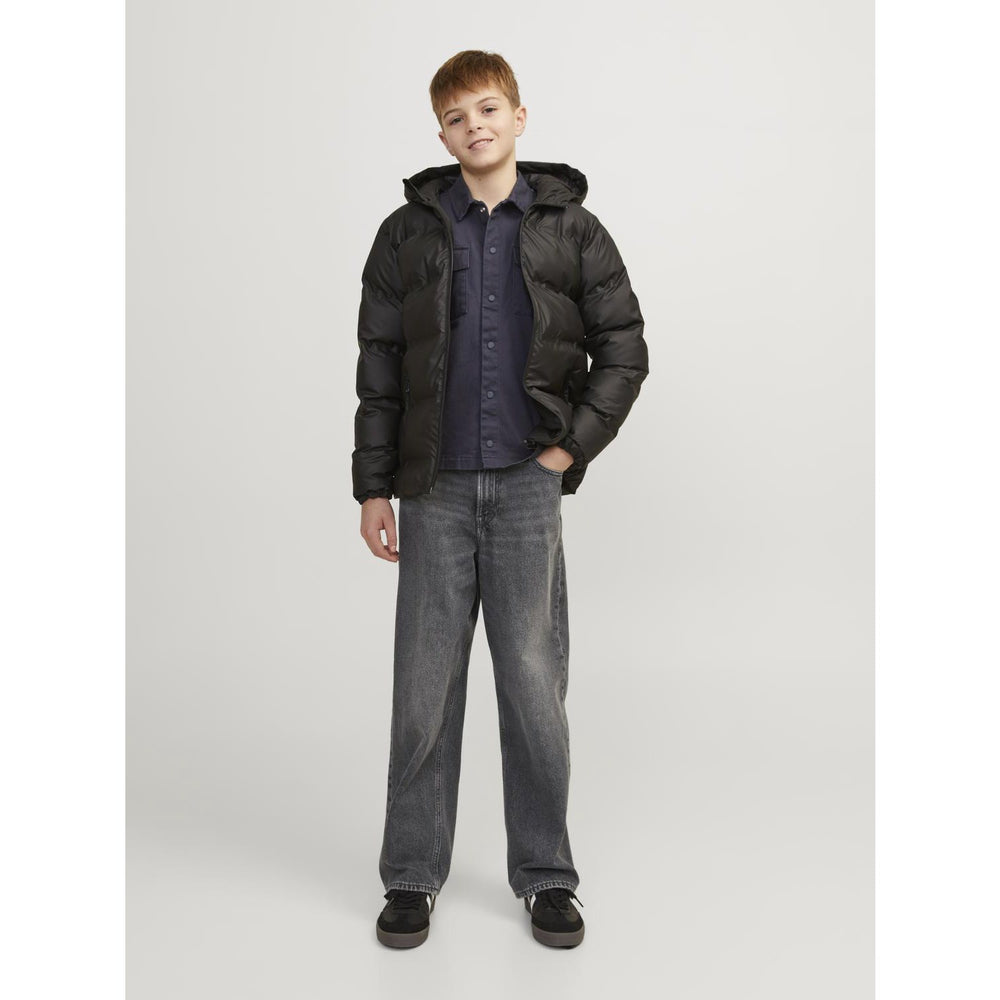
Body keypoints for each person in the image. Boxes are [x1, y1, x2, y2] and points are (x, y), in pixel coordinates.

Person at [352, 50, 648, 949]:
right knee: (423, 692)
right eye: (456, 117)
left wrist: (567, 449)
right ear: (440, 135)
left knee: (532, 687)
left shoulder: (574, 230)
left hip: (526, 489)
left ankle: (547, 875)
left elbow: (624, 348)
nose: (473, 126)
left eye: (487, 109)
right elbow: (379, 365)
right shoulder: (406, 234)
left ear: (519, 116)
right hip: (432, 490)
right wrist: (373, 486)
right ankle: (411, 875)